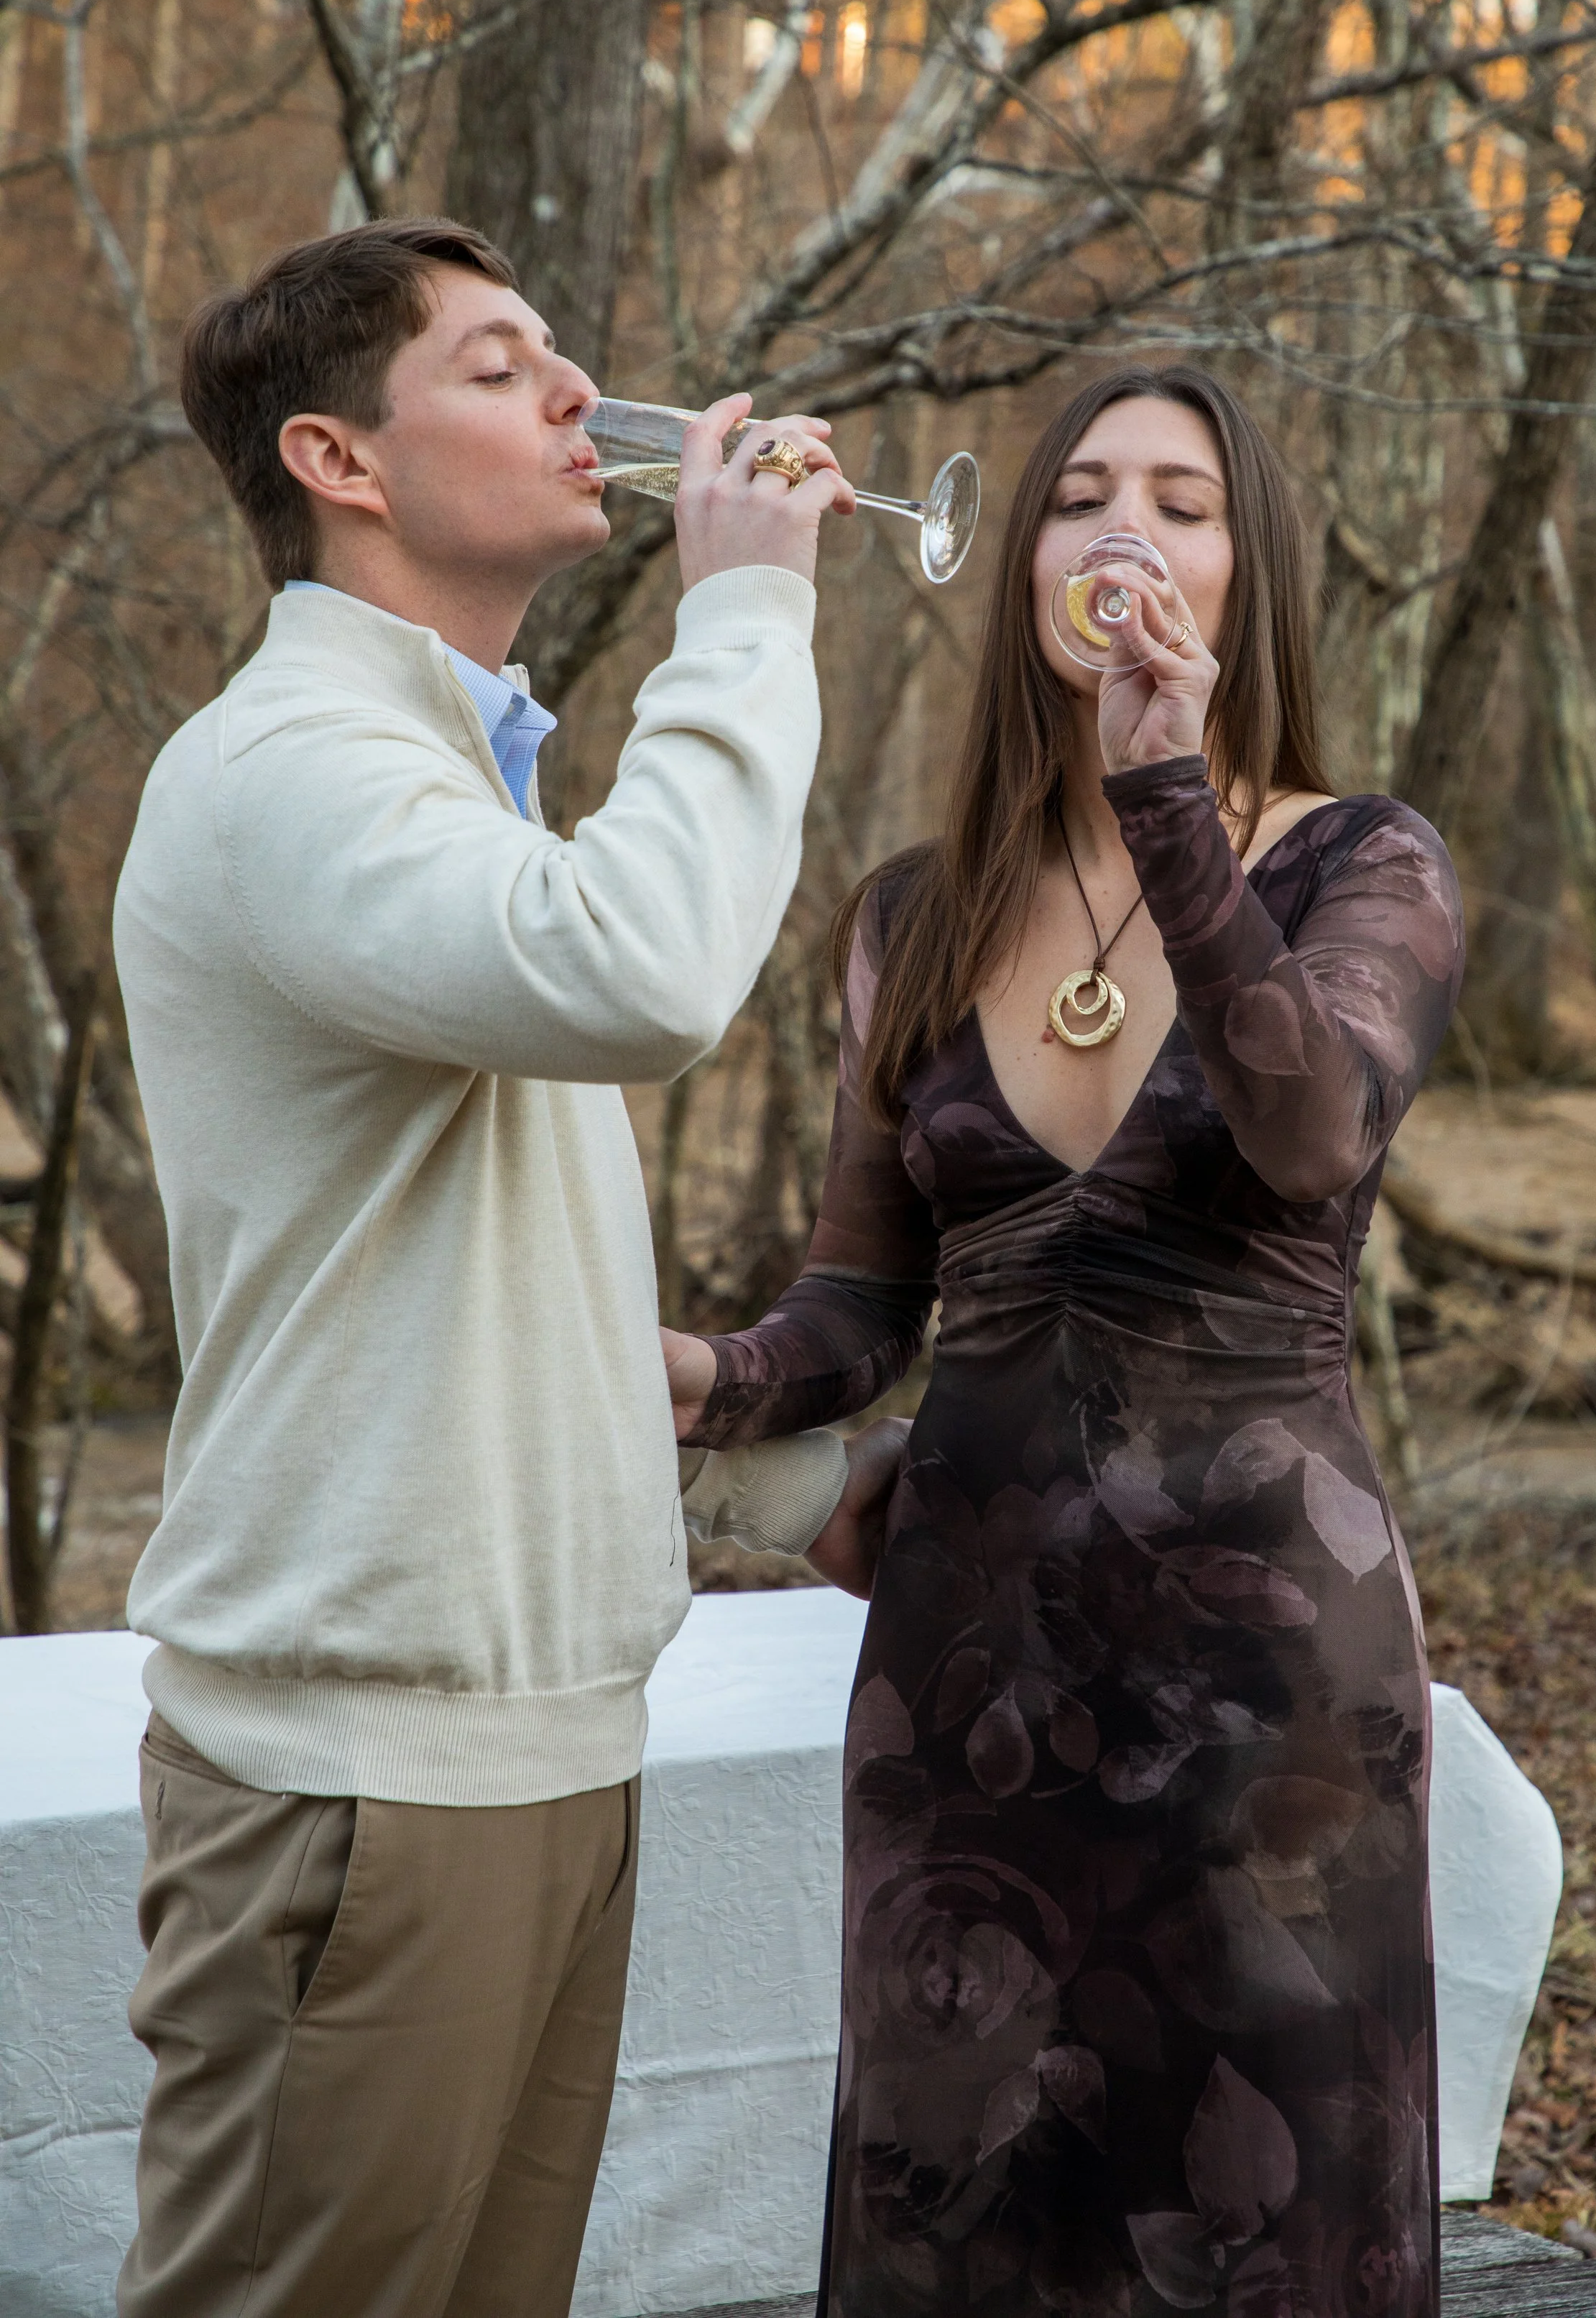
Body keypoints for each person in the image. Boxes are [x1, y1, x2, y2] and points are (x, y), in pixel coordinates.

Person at [111, 216, 903, 2318]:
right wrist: (741, 617)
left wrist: (736, 1464)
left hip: (537, 1746)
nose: (577, 393)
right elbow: (643, 971)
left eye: (561, 352)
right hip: (363, 1782)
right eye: (496, 362)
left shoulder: (455, 779)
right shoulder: (288, 771)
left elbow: (438, 1270)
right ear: (337, 458)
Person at [662, 367, 1466, 2318]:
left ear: (1242, 568)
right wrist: (688, 1375)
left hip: (1269, 1683)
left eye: (1179, 502)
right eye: (1080, 494)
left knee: (1263, 2204)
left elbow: (1308, 1132)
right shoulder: (911, 914)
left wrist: (1166, 798)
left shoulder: (1368, 862)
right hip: (968, 1680)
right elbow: (859, 1306)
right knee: (973, 2209)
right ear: (1014, 558)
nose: (1123, 533)